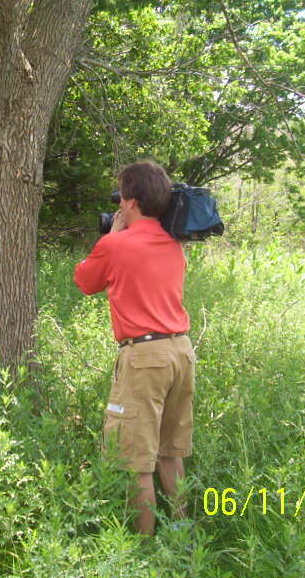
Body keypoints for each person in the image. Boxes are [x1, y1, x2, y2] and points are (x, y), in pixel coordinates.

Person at [73, 160, 195, 536]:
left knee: (135, 460)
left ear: (131, 202)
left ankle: (141, 552)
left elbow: (84, 281)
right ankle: (180, 536)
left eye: (123, 199)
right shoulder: (174, 241)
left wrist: (111, 234)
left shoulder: (116, 243)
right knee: (170, 453)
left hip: (144, 357)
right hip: (181, 351)